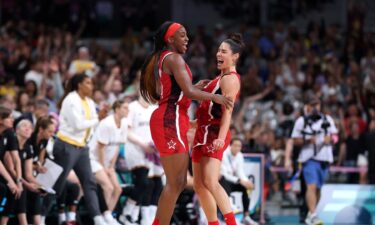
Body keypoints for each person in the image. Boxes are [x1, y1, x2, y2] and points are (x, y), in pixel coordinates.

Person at [139, 21, 233, 225]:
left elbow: (181, 91)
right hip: (169, 119)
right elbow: (189, 92)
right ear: (170, 39)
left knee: (177, 183)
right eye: (182, 35)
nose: (187, 38)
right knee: (175, 183)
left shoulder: (165, 58)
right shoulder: (173, 58)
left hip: (173, 117)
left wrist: (190, 89)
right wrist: (216, 98)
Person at [191, 33, 242, 225]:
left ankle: (231, 223)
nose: (218, 54)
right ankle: (213, 223)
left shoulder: (230, 79)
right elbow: (208, 111)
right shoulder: (216, 79)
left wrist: (221, 137)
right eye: (218, 50)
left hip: (214, 133)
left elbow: (227, 113)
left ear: (235, 56)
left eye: (224, 51)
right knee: (198, 184)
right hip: (202, 131)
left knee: (211, 181)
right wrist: (193, 124)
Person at [53, 73, 110, 225]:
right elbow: (78, 124)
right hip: (66, 145)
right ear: (79, 85)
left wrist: (100, 117)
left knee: (89, 182)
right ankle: (39, 217)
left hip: (81, 147)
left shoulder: (89, 102)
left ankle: (98, 219)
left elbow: (91, 125)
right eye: (88, 83)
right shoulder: (71, 99)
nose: (91, 86)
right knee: (56, 185)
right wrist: (98, 118)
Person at [290, 96, 338, 225]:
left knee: (318, 188)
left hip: (325, 158)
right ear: (307, 106)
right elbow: (294, 140)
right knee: (311, 186)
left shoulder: (327, 119)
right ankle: (314, 214)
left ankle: (311, 214)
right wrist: (308, 140)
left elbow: (336, 136)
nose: (315, 108)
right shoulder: (301, 121)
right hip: (309, 158)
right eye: (312, 105)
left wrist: (332, 139)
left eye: (317, 105)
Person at [119, 96, 157, 225]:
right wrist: (143, 144)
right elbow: (127, 133)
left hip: (151, 152)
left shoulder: (154, 108)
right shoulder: (132, 107)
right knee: (144, 183)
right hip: (135, 149)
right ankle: (127, 213)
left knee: (151, 184)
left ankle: (133, 216)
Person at [89, 99, 128, 225]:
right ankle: (99, 218)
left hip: (107, 163)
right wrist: (103, 166)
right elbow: (100, 147)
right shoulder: (107, 123)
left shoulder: (124, 124)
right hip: (93, 160)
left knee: (118, 189)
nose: (127, 111)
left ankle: (108, 216)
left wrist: (111, 166)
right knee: (108, 187)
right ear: (117, 109)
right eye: (125, 108)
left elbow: (116, 147)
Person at [220, 138, 258, 225]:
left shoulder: (240, 155)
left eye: (239, 146)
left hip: (233, 180)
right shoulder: (224, 154)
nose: (237, 148)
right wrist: (239, 180)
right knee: (223, 180)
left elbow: (240, 172)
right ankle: (230, 210)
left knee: (246, 188)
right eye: (235, 145)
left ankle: (246, 216)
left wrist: (246, 182)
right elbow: (224, 174)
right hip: (223, 181)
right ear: (230, 146)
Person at [0, 106, 22, 223]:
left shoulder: (6, 134)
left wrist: (18, 181)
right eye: (9, 118)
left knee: (14, 190)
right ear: (1, 120)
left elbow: (16, 158)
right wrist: (11, 181)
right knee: (3, 187)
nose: (13, 120)